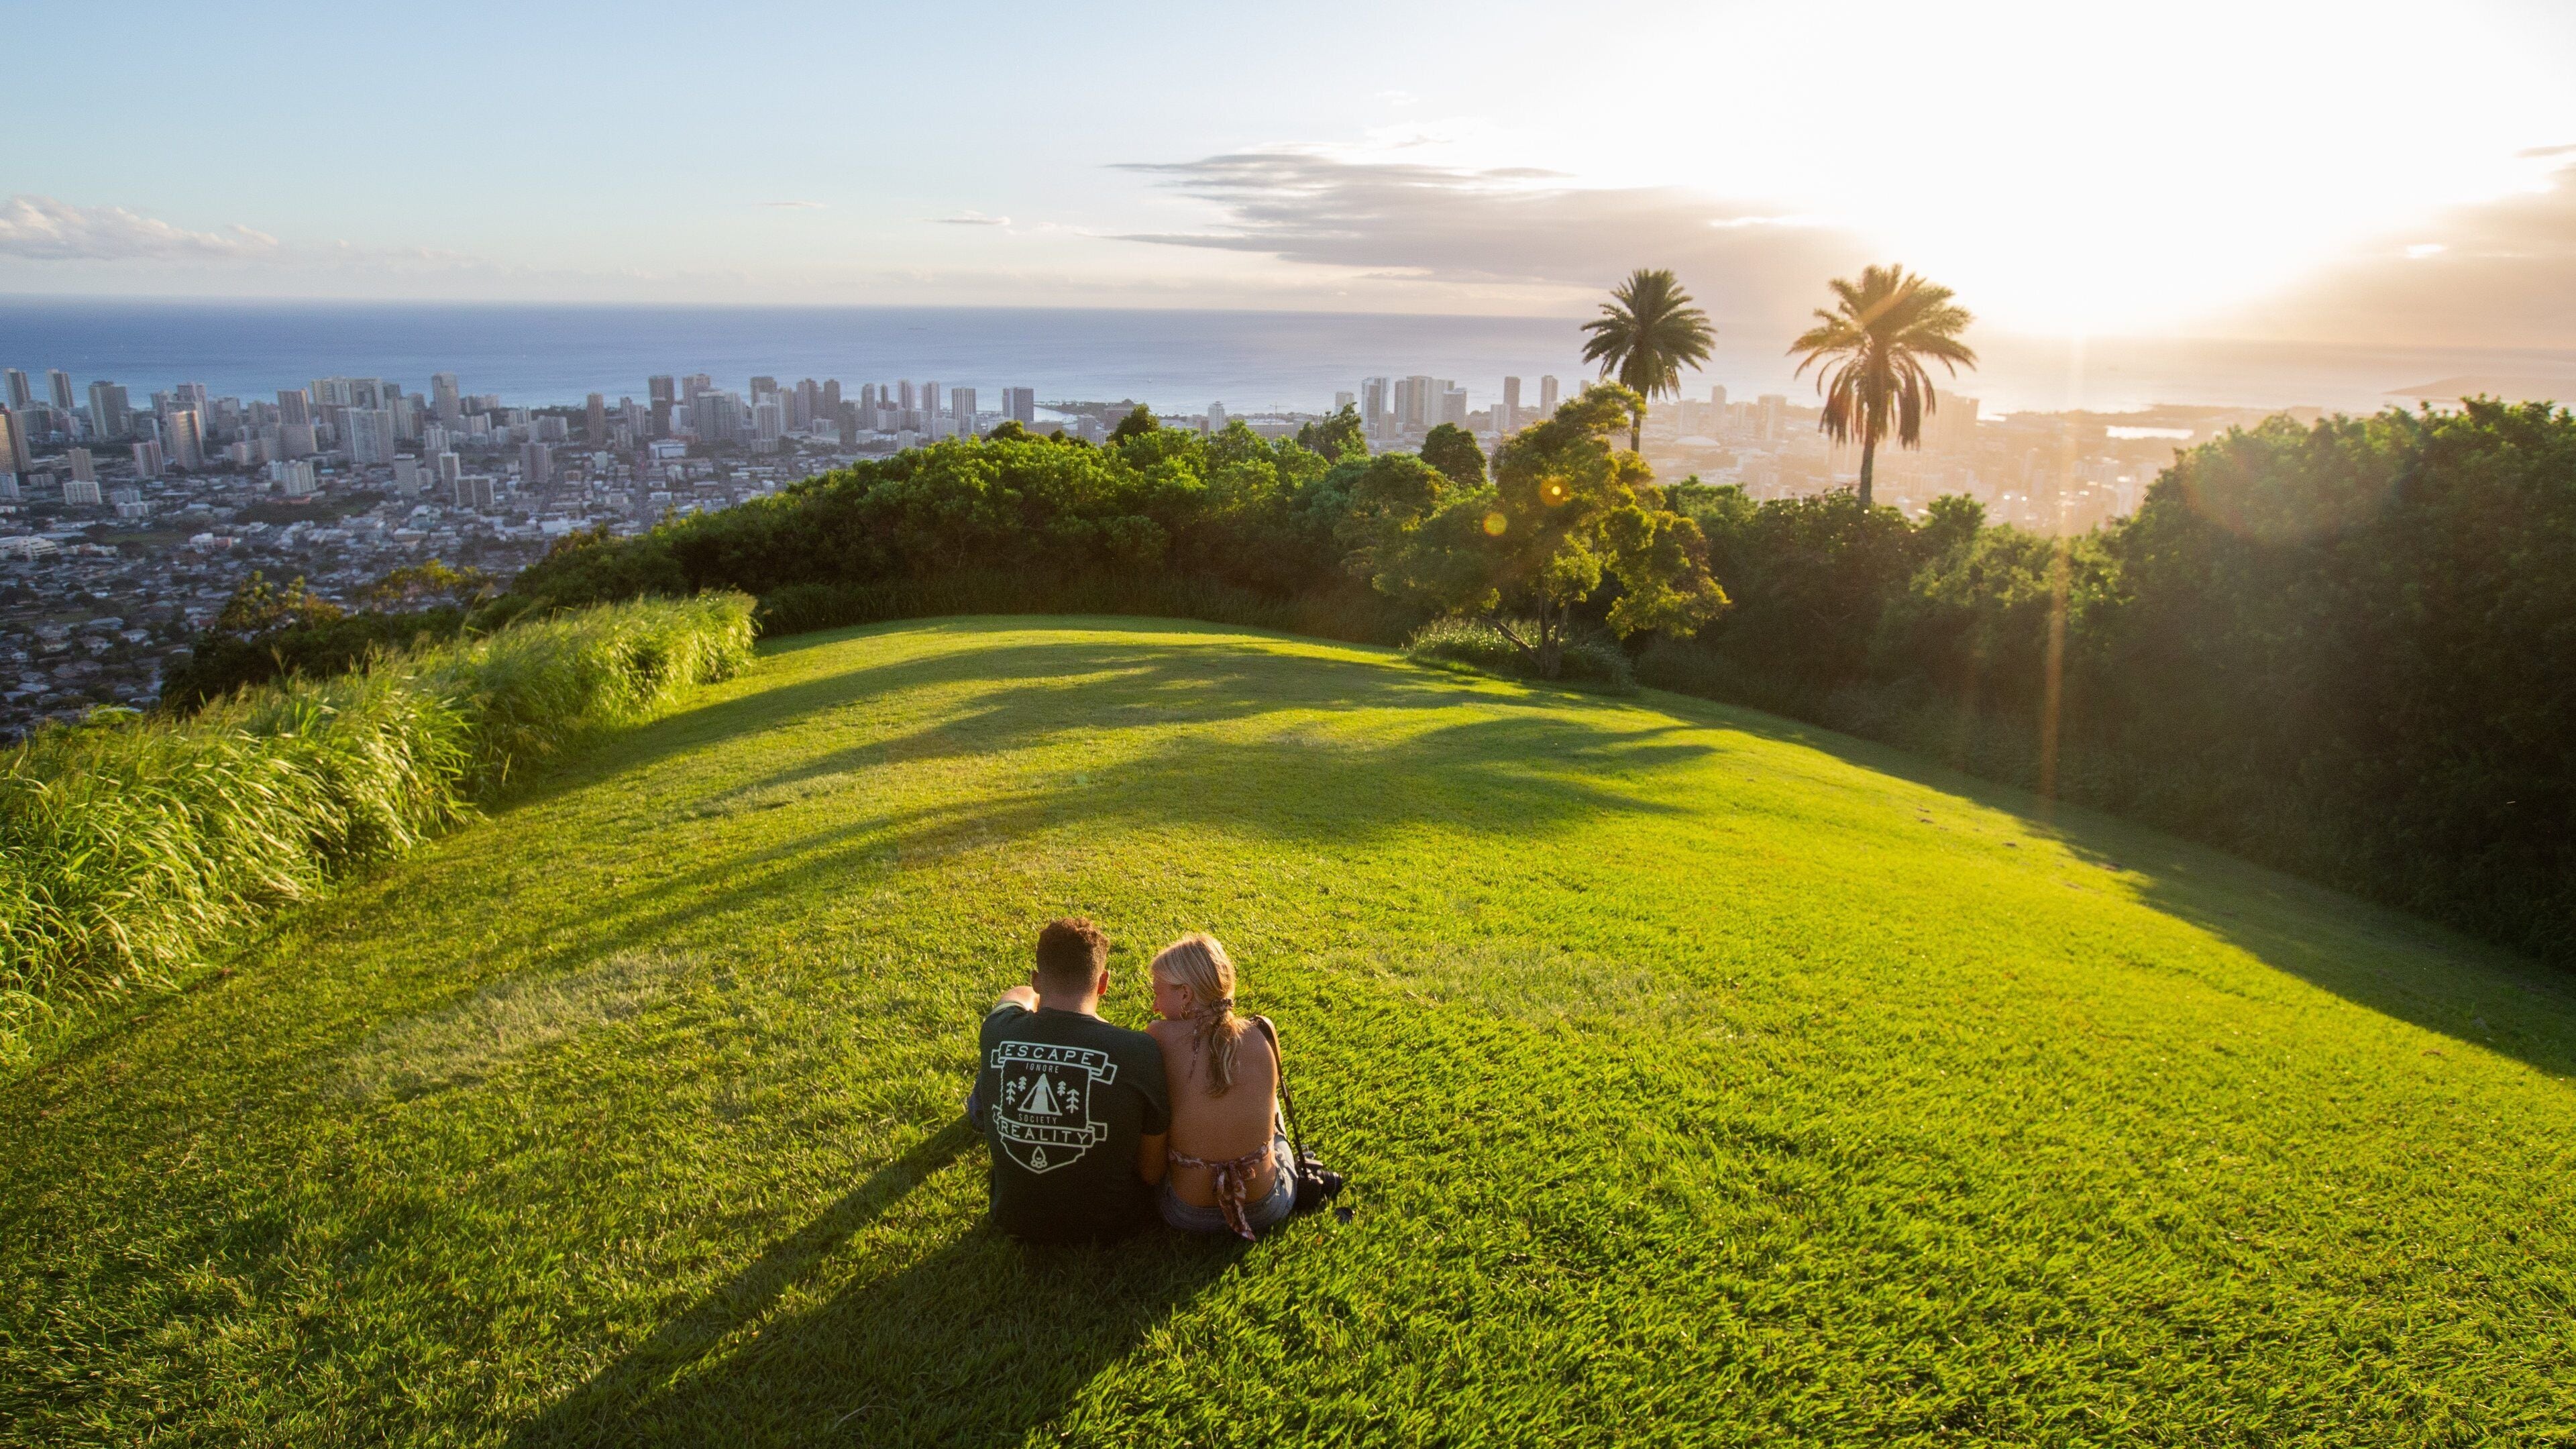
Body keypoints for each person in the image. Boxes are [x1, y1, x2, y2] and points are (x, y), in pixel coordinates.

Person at [967, 917, 1171, 1242]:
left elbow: (1013, 996)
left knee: (985, 1087)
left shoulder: (997, 1030)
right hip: (1113, 1223)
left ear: (1037, 980)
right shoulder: (1139, 1050)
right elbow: (1152, 1172)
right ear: (1103, 983)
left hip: (1011, 1217)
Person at [1146, 932, 1293, 1240]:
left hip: (1186, 1212)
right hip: (1266, 1207)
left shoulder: (1158, 1037)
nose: (1155, 1007)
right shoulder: (1262, 1031)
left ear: (1185, 994)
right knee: (1274, 1114)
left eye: (1158, 994)